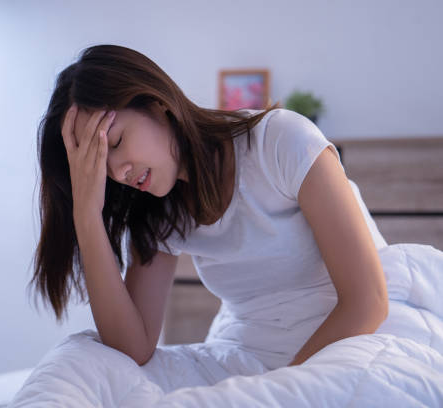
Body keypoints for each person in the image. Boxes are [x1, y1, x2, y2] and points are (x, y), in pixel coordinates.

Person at [28, 44, 390, 370]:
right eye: (101, 167)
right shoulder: (159, 214)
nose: (119, 173)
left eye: (117, 142)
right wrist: (87, 214)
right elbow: (132, 349)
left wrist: (282, 389)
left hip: (352, 335)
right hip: (253, 350)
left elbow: (368, 302)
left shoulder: (281, 141)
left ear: (157, 103)